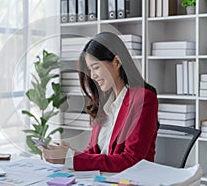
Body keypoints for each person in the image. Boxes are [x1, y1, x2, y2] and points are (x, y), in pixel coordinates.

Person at [41, 32, 158, 172]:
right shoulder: (103, 102)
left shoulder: (143, 99)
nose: (92, 75)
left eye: (95, 67)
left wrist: (72, 158)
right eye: (90, 70)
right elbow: (94, 152)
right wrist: (69, 154)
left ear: (117, 62)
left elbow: (132, 160)